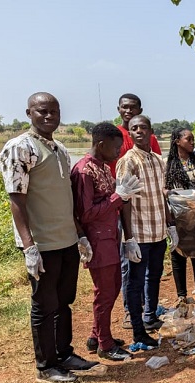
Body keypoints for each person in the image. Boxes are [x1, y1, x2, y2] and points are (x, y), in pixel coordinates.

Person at [0, 92, 99, 383]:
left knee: (64, 301)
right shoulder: (20, 148)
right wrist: (29, 246)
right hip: (42, 244)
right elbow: (16, 198)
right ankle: (46, 366)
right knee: (44, 305)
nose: (49, 116)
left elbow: (65, 196)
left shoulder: (60, 149)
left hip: (66, 240)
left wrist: (79, 234)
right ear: (29, 113)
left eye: (53, 111)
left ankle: (64, 354)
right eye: (42, 111)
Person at [71, 123, 141, 362]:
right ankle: (105, 344)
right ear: (101, 144)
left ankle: (95, 335)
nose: (119, 152)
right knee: (105, 292)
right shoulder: (84, 171)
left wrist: (122, 199)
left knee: (112, 287)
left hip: (111, 237)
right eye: (116, 147)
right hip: (97, 242)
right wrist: (116, 197)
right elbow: (86, 213)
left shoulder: (103, 168)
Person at [116, 115, 179, 348]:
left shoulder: (156, 160)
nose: (139, 131)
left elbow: (162, 196)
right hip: (139, 233)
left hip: (157, 230)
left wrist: (170, 224)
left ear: (151, 131)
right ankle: (138, 330)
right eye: (134, 128)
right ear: (130, 133)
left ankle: (150, 316)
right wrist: (129, 238)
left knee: (155, 275)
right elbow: (124, 200)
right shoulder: (128, 161)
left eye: (143, 127)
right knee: (135, 282)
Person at [165, 127, 195, 302]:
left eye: (193, 139)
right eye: (188, 139)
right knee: (178, 253)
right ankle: (181, 295)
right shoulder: (167, 163)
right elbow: (163, 188)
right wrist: (172, 195)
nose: (192, 142)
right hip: (177, 216)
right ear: (177, 142)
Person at [108, 93, 162, 177]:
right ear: (119, 109)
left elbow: (157, 164)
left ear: (140, 110)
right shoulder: (111, 136)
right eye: (124, 107)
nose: (128, 111)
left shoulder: (150, 137)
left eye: (133, 107)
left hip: (147, 184)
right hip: (118, 185)